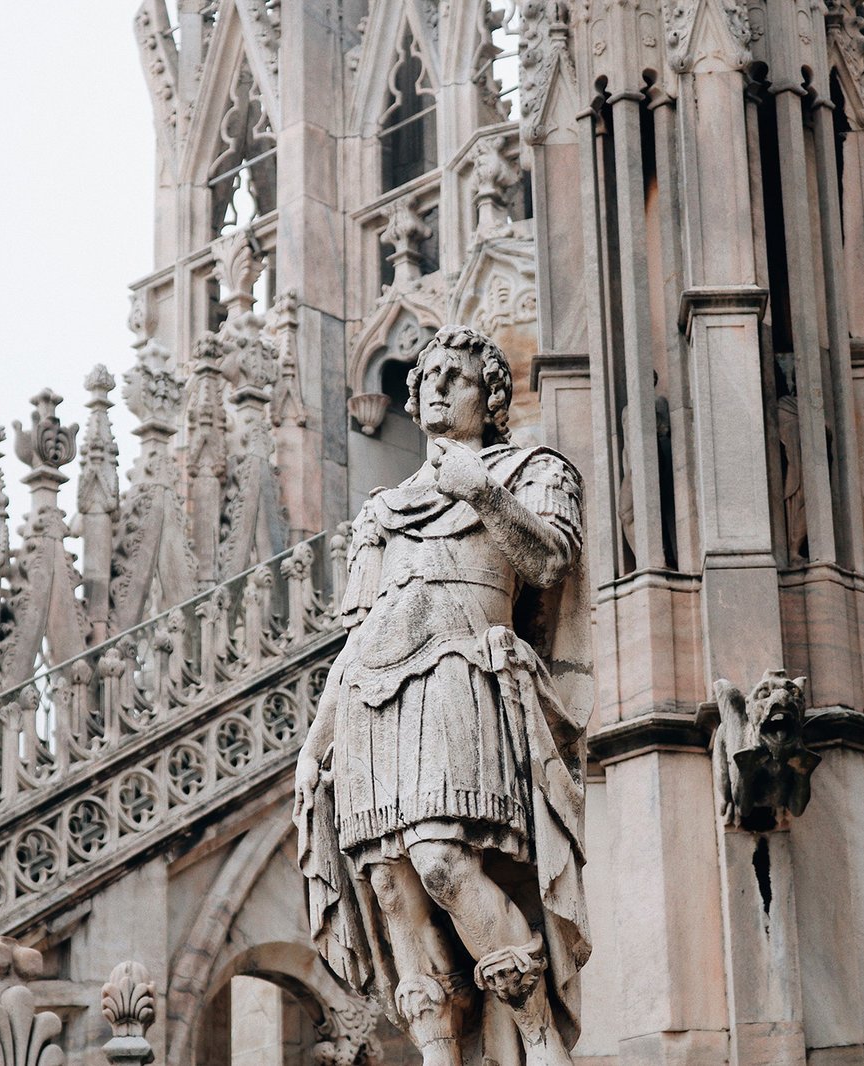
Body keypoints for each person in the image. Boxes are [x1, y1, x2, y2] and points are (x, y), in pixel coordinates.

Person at [296, 325, 591, 1066]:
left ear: (491, 397)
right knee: (392, 887)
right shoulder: (383, 509)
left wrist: (483, 492)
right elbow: (358, 634)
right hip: (371, 697)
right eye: (428, 375)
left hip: (459, 675)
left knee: (439, 860)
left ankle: (539, 1036)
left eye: (456, 376)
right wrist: (314, 742)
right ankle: (437, 1053)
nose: (437, 386)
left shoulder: (532, 470)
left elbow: (550, 562)